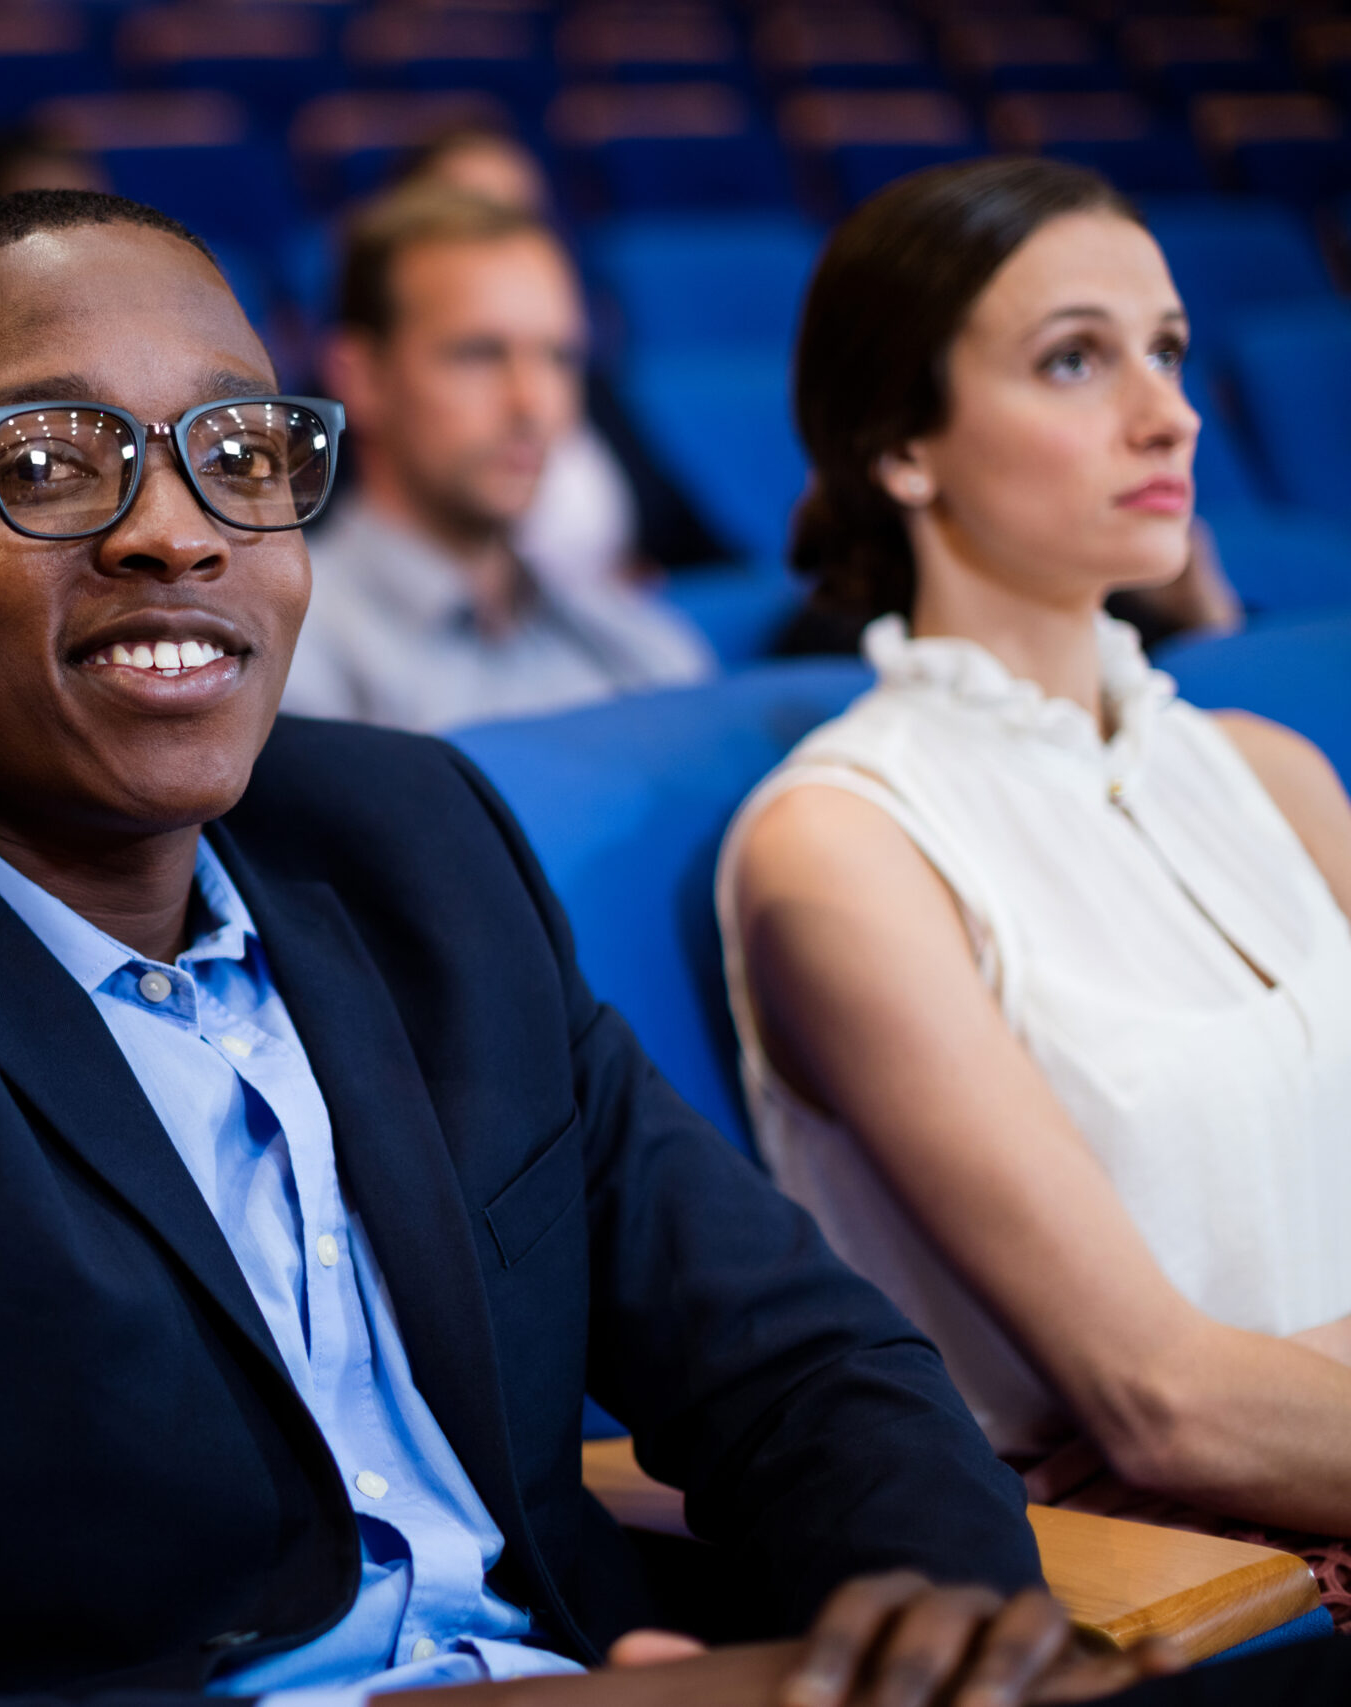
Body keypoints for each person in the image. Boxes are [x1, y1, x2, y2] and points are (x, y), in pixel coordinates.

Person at [0, 188, 1176, 1707]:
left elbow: (801, 1362)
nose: (175, 528)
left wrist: (950, 1633)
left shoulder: (415, 849)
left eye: (241, 454)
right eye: (52, 465)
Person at [718, 158, 1351, 1623]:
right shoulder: (845, 842)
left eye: (1170, 351)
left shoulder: (1271, 770)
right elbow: (1164, 1403)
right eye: (1077, 358)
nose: (1169, 411)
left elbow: (1214, 1409)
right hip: (1184, 1599)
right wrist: (1224, 1428)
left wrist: (1285, 1433)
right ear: (903, 445)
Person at [286, 186, 712, 730]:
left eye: (558, 357)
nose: (533, 402)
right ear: (361, 378)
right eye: (480, 354)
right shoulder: (291, 660)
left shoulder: (646, 649)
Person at [387, 124, 732, 589]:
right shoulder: (347, 414)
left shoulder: (588, 381)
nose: (530, 400)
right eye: (471, 219)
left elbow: (701, 550)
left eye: (521, 218)